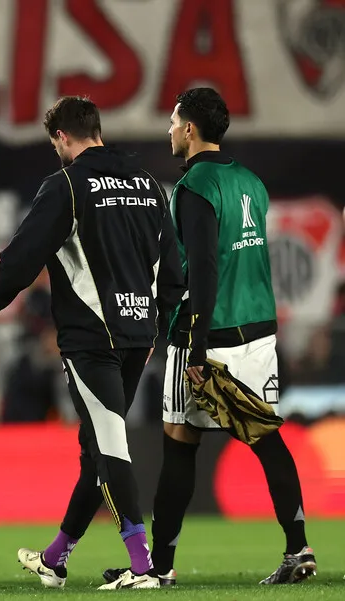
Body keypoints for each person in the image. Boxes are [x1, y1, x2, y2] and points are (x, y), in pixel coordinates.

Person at [0, 96, 184, 591]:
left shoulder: (66, 185)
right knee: (97, 447)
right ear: (96, 129)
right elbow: (173, 266)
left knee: (108, 441)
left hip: (90, 336)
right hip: (137, 333)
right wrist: (159, 328)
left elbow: (21, 259)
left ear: (61, 137)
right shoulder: (148, 185)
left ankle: (143, 568)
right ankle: (56, 558)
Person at [104, 87, 315, 587]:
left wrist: (196, 347)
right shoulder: (252, 182)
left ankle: (159, 567)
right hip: (259, 331)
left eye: (174, 123)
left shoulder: (194, 186)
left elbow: (202, 267)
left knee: (180, 443)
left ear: (191, 130)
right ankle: (298, 548)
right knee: (267, 438)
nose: (170, 131)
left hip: (207, 334)